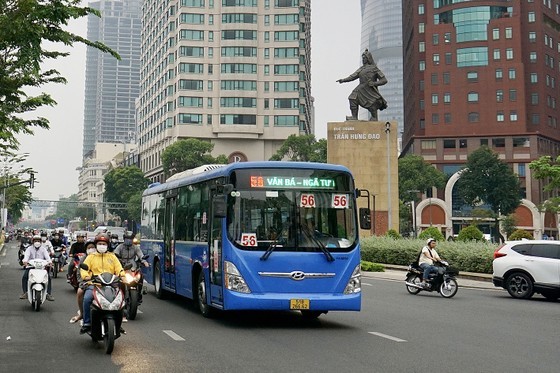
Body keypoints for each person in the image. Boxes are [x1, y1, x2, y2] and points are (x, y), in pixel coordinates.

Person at [79, 234, 124, 334]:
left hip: (111, 284)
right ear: (96, 245)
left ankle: (119, 324)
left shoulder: (112, 257)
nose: (102, 245)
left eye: (104, 244)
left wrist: (122, 275)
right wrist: (85, 276)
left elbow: (119, 268)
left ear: (107, 245)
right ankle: (86, 323)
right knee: (87, 298)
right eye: (99, 244)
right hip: (95, 284)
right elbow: (84, 268)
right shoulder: (91, 257)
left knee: (120, 300)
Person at [337, 48, 388, 121]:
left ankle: (374, 117)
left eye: (364, 58)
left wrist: (374, 83)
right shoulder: (361, 69)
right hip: (361, 87)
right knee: (352, 98)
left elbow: (384, 80)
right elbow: (353, 76)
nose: (363, 59)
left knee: (372, 104)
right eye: (362, 58)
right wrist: (343, 80)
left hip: (370, 89)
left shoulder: (374, 68)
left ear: (368, 58)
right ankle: (354, 117)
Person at [114, 232, 149, 315]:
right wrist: (116, 260)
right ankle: (116, 296)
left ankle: (139, 293)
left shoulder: (135, 248)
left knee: (140, 276)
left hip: (133, 267)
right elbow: (115, 255)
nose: (128, 240)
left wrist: (144, 261)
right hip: (122, 266)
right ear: (124, 239)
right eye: (127, 238)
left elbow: (141, 255)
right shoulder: (120, 247)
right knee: (115, 280)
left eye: (130, 239)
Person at [20, 235, 54, 301]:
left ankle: (48, 294)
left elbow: (47, 257)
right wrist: (25, 261)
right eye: (35, 241)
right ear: (33, 242)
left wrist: (50, 262)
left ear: (41, 242)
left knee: (48, 278)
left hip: (41, 267)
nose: (37, 242)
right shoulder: (29, 249)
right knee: (25, 277)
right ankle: (25, 292)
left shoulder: (43, 249)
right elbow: (26, 257)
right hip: (31, 267)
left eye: (38, 241)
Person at [69, 242, 96, 324]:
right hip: (87, 282)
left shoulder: (102, 257)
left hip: (102, 282)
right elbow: (79, 272)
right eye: (89, 248)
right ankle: (82, 313)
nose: (91, 249)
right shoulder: (83, 259)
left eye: (93, 247)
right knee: (80, 292)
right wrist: (82, 282)